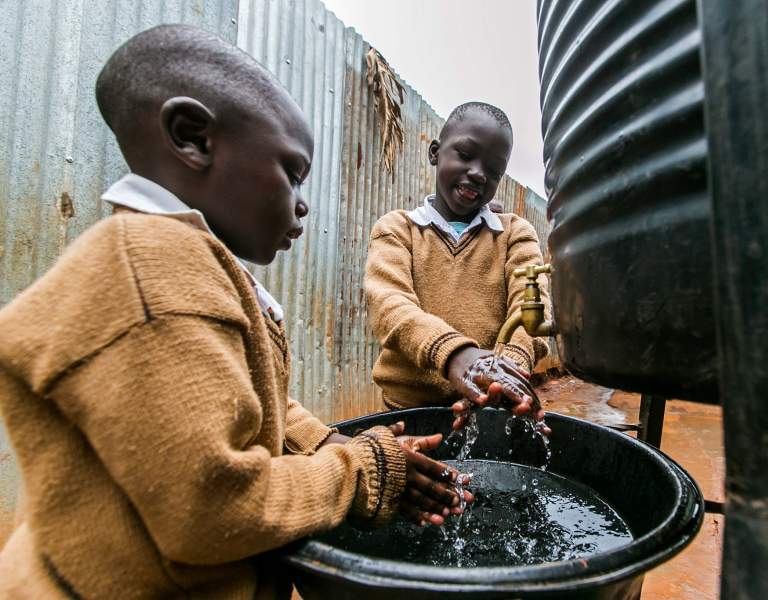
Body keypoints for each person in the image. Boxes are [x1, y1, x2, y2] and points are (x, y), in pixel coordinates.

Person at [0, 25, 469, 599]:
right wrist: (360, 474)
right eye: (292, 172)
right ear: (193, 138)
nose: (301, 203)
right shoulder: (154, 277)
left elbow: (247, 395)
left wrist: (324, 444)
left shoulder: (187, 263)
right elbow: (212, 506)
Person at [364, 102, 551, 432]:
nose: (479, 173)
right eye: (465, 155)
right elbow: (390, 309)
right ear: (435, 152)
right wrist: (457, 357)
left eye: (493, 170)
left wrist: (504, 377)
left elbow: (529, 311)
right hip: (408, 413)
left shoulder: (514, 235)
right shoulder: (397, 230)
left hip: (485, 408)